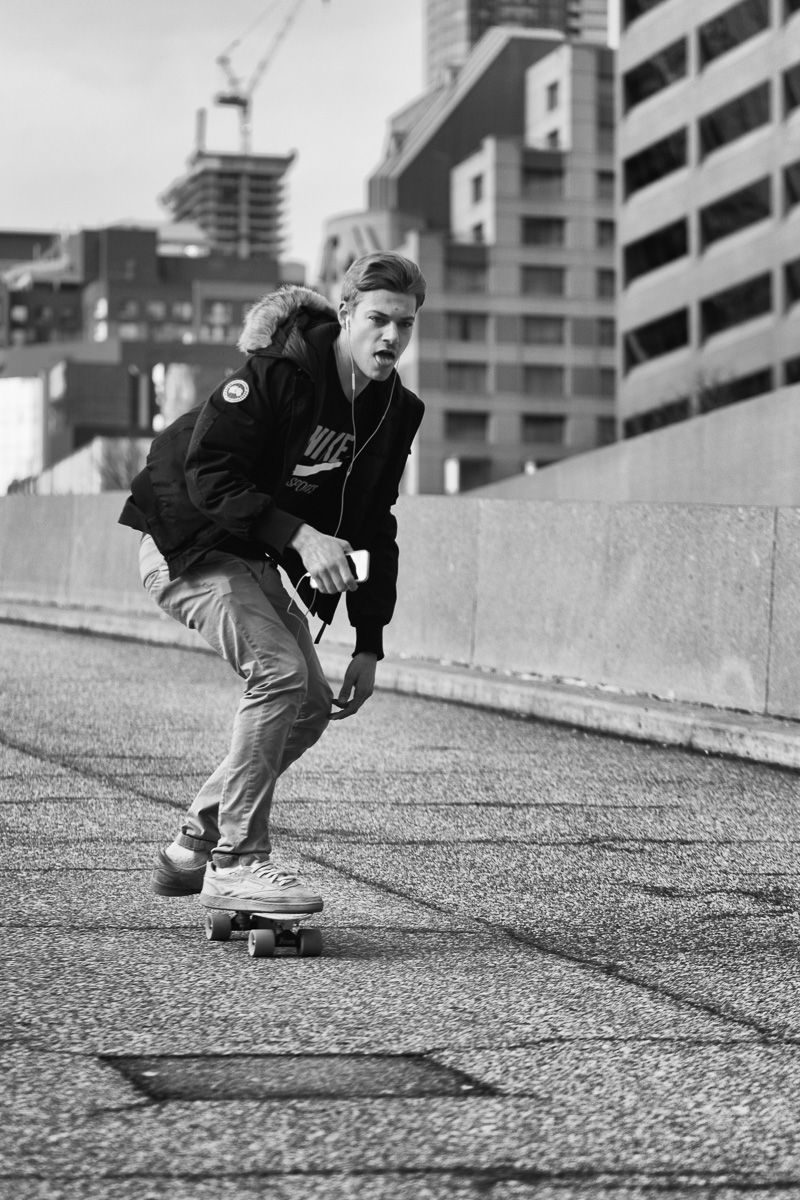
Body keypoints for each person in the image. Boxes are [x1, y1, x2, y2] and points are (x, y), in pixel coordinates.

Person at [119, 252, 426, 916]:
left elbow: (375, 524)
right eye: (378, 320)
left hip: (253, 558)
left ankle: (193, 846)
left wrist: (369, 643)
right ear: (346, 314)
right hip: (188, 546)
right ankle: (235, 863)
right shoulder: (280, 374)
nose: (391, 338)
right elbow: (210, 475)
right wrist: (301, 536)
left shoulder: (394, 411)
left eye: (405, 324)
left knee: (311, 703)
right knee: (282, 675)